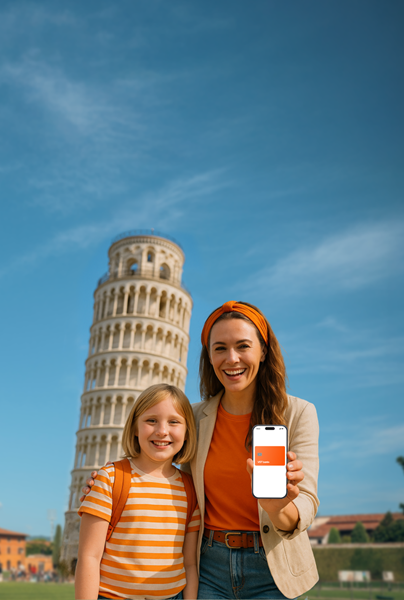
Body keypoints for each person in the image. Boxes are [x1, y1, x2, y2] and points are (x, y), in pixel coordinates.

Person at [82, 301, 319, 599]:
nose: (231, 358)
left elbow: (307, 502)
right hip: (208, 566)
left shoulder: (298, 413)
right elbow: (157, 465)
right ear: (209, 357)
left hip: (274, 568)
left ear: (263, 350)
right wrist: (109, 481)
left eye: (243, 346)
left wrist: (278, 508)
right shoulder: (191, 417)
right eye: (220, 348)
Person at [75, 384, 200, 600]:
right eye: (151, 420)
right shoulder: (110, 478)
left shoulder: (190, 488)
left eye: (174, 422)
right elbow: (89, 557)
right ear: (134, 428)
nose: (162, 431)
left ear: (187, 431)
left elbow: (189, 563)